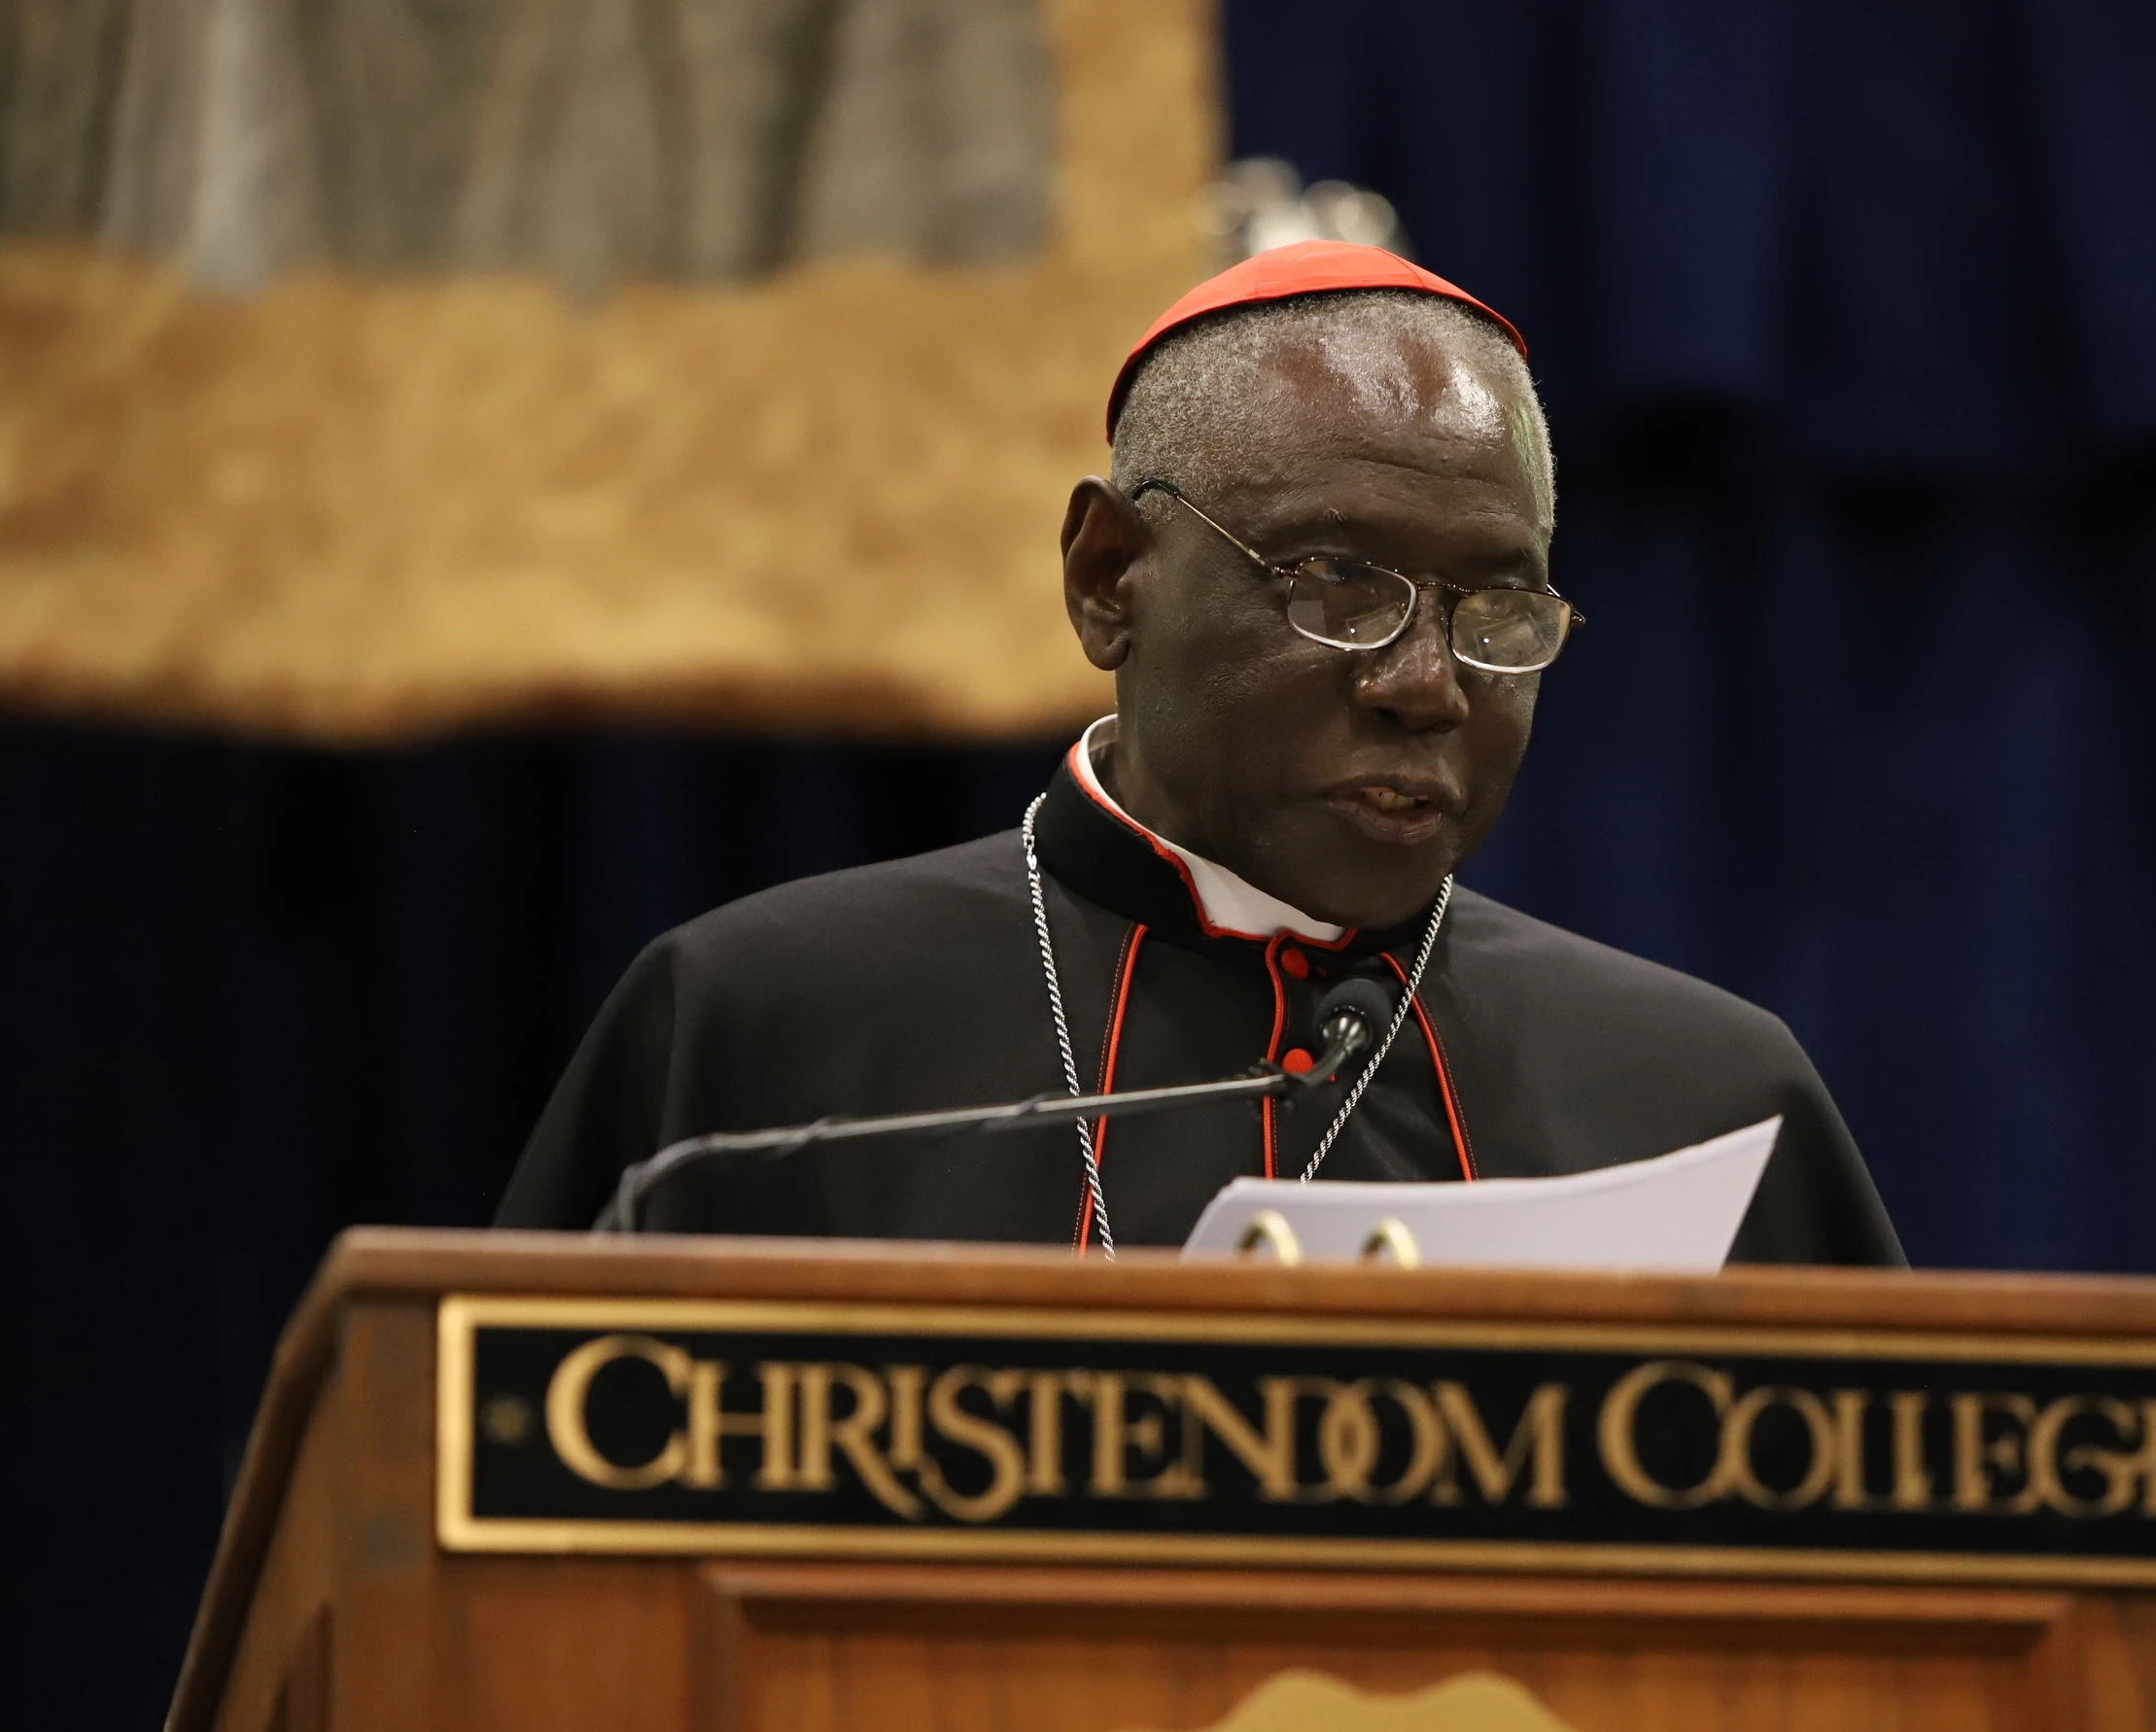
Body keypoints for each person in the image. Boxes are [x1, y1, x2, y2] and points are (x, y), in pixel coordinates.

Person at [497, 240, 1901, 1264]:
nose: (1427, 686)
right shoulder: (762, 1026)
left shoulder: (1705, 1097)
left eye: (1497, 612)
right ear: (1109, 578)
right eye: (1338, 582)